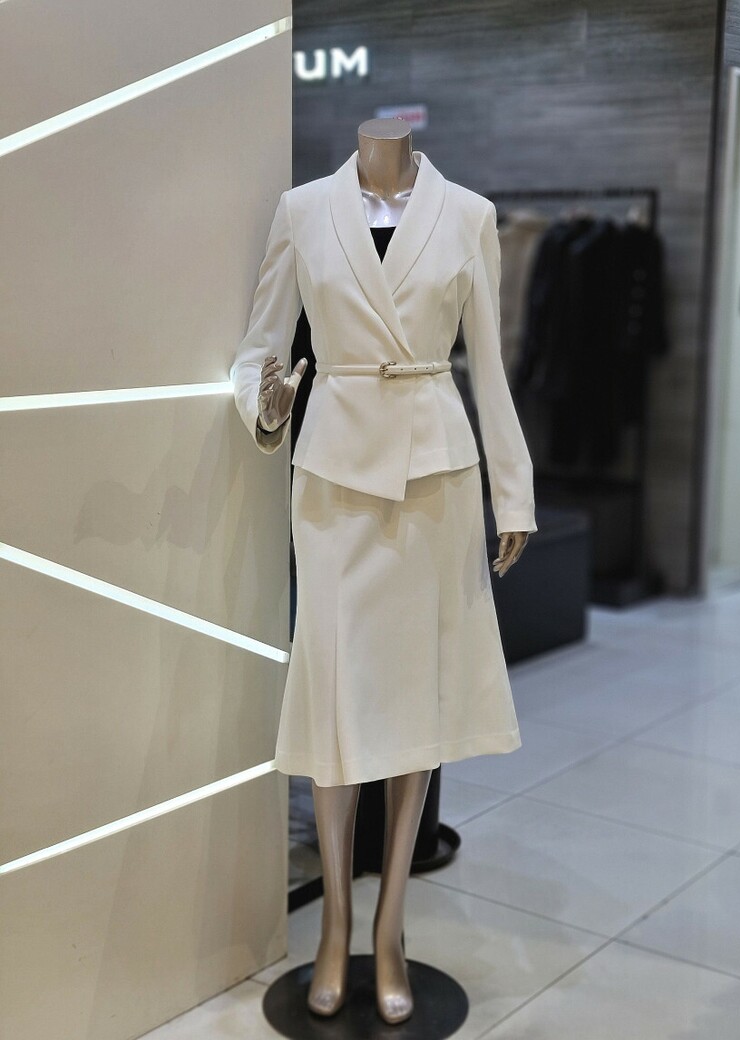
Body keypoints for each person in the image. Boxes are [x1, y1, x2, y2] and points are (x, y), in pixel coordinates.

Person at [230, 118, 536, 1024]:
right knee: (336, 695)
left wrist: (512, 494)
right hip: (333, 478)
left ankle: (390, 927)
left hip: (438, 476)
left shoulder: (468, 214)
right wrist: (266, 400)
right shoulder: (303, 210)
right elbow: (258, 348)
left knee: (417, 700)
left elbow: (489, 366)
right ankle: (334, 924)